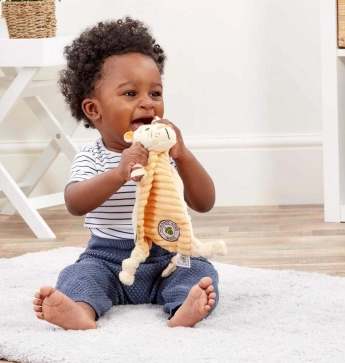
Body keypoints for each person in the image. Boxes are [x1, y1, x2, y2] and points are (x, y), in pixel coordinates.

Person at [32, 17, 219, 329]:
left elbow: (204, 202)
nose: (148, 103)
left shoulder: (164, 154)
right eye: (131, 94)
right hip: (107, 260)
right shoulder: (91, 156)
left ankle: (183, 308)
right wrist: (119, 174)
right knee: (78, 274)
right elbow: (75, 203)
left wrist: (183, 156)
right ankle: (79, 311)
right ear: (94, 110)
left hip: (166, 256)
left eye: (155, 94)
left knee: (200, 270)